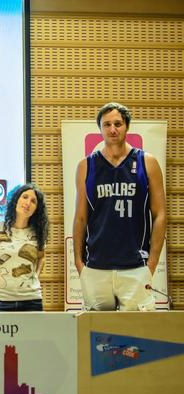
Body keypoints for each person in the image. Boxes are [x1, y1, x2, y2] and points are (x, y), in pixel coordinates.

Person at [73, 102, 166, 311]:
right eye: (107, 125)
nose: (112, 129)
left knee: (137, 331)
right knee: (95, 330)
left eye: (118, 124)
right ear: (100, 129)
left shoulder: (147, 162)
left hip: (136, 267)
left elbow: (160, 214)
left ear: (127, 126)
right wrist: (79, 263)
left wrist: (151, 264)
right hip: (96, 268)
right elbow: (80, 218)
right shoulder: (86, 165)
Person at [0, 183, 49, 312]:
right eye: (25, 197)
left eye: (33, 201)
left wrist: (35, 276)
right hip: (1, 300)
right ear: (16, 200)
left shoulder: (38, 233)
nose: (28, 203)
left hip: (32, 300)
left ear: (36, 209)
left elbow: (41, 258)